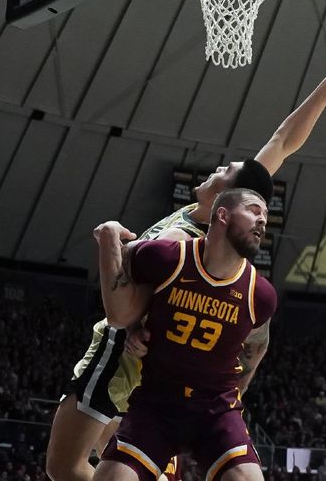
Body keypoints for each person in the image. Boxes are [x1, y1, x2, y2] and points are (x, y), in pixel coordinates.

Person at [45, 65, 326, 481]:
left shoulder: (189, 240)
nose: (220, 166)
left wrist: (137, 320)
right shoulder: (203, 220)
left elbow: (138, 302)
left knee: (65, 468)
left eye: (227, 168)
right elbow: (283, 140)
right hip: (145, 359)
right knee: (93, 465)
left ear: (228, 201)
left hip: (125, 356)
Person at [93, 187, 275, 481]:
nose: (263, 221)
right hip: (156, 403)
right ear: (223, 215)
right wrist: (134, 325)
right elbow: (120, 304)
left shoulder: (260, 294)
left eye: (266, 215)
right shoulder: (168, 258)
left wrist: (234, 401)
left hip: (215, 409)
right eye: (254, 210)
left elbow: (256, 347)